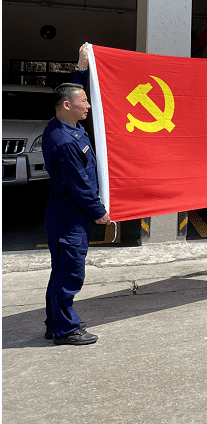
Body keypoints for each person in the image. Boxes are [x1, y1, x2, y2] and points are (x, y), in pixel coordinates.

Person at [43, 42, 110, 345]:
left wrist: (81, 67)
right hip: (70, 219)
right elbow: (81, 184)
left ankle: (54, 323)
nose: (89, 105)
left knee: (60, 272)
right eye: (84, 102)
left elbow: (73, 91)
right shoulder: (65, 142)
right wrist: (100, 212)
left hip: (65, 214)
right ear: (68, 106)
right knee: (69, 274)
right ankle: (66, 330)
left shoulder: (64, 123)